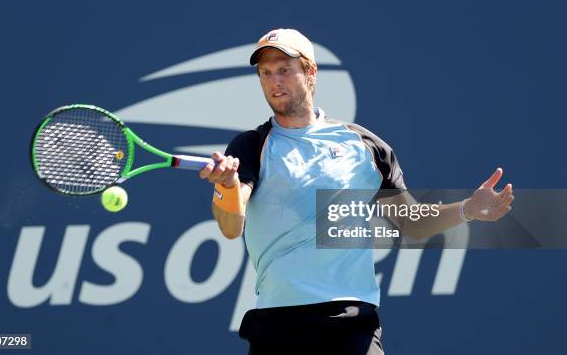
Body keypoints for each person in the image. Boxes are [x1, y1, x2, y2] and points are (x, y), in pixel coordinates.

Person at [199, 28, 514, 354]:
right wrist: (226, 186)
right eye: (265, 73)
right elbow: (231, 226)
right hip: (278, 324)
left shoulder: (365, 146)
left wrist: (468, 209)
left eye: (283, 70)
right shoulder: (251, 145)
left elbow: (412, 223)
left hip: (351, 324)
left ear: (310, 72)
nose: (274, 82)